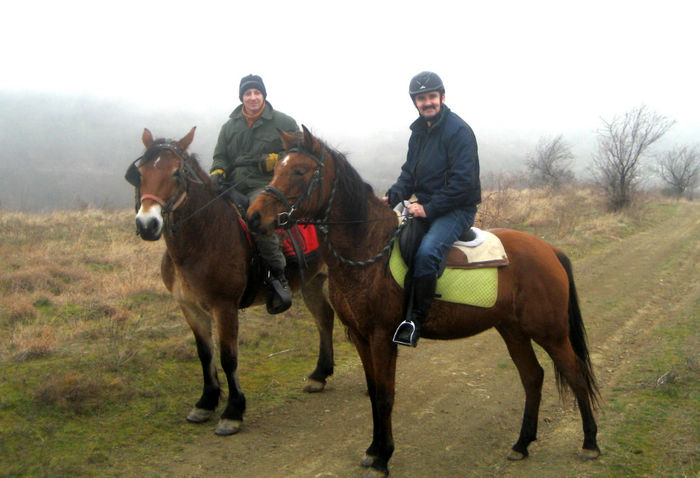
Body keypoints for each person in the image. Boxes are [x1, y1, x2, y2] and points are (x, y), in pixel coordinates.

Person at [384, 71, 481, 346]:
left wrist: (428, 209)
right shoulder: (418, 133)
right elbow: (409, 175)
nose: (427, 103)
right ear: (415, 102)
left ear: (442, 97)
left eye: (431, 97)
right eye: (421, 98)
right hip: (426, 206)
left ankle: (415, 319)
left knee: (427, 252)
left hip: (457, 210)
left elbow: (464, 183)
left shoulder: (458, 131)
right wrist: (391, 198)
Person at [210, 74, 299, 313]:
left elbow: (300, 153)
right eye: (247, 94)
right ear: (242, 97)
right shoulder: (229, 127)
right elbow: (220, 157)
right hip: (232, 184)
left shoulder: (284, 122)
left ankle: (278, 275)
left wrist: (275, 161)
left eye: (256, 93)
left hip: (266, 184)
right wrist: (217, 171)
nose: (252, 98)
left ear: (263, 95)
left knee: (257, 217)